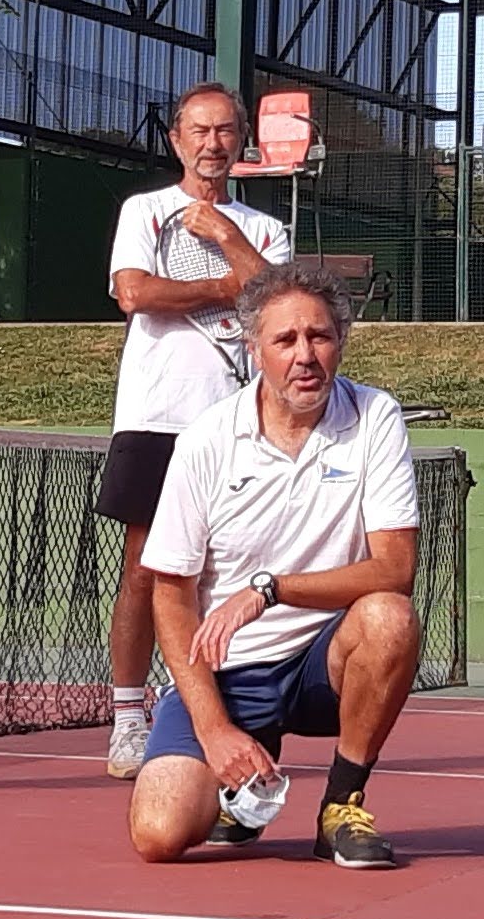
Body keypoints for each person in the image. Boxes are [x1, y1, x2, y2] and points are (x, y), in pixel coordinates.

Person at [127, 259, 424, 869]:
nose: (304, 355)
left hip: (321, 666)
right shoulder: (206, 439)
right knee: (159, 835)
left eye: (319, 336)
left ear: (341, 342)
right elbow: (171, 596)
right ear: (254, 348)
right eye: (285, 340)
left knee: (389, 617)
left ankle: (342, 804)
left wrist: (271, 589)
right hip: (226, 674)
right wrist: (213, 729)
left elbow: (395, 567)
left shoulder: (375, 417)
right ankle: (236, 789)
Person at [94, 81, 291, 779]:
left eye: (225, 131)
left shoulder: (263, 229)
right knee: (145, 570)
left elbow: (278, 304)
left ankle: (210, 711)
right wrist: (219, 287)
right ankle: (125, 718)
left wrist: (229, 240)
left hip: (237, 429)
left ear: (242, 141)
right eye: (199, 131)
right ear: (177, 140)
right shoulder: (144, 210)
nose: (212, 144)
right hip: (154, 420)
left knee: (229, 574)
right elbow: (135, 292)